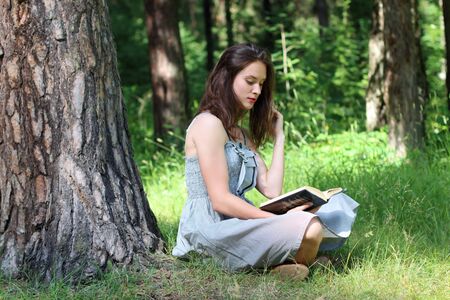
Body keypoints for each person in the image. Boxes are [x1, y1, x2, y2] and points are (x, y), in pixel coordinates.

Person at [172, 43, 358, 280]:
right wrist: (276, 219)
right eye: (250, 81)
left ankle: (288, 265)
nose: (257, 91)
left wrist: (279, 136)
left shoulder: (240, 134)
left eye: (261, 84)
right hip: (210, 228)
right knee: (310, 227)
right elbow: (220, 201)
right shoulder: (208, 124)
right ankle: (291, 265)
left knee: (331, 209)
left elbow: (271, 189)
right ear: (226, 78)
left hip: (239, 221)